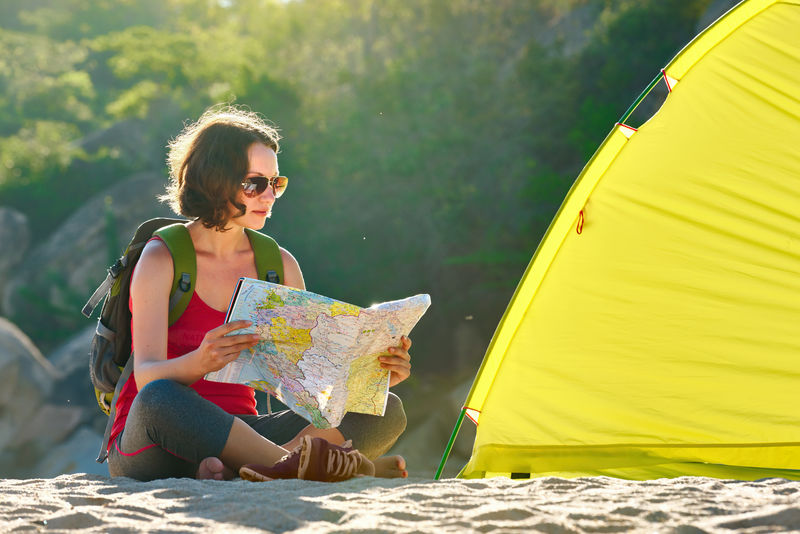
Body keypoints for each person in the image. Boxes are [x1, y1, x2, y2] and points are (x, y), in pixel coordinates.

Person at [107, 106, 411, 482]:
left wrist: (370, 377)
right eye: (255, 183)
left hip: (246, 431)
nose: (269, 195)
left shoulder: (278, 265)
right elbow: (148, 377)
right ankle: (308, 465)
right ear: (215, 179)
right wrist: (201, 361)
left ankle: (264, 466)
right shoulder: (161, 258)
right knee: (159, 398)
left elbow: (310, 385)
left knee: (386, 408)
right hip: (156, 435)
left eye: (276, 183)